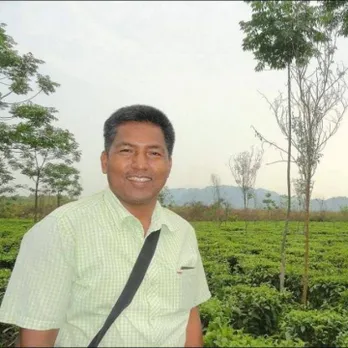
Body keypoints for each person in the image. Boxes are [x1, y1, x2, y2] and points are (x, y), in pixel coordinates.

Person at [0, 104, 211, 347]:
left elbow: (189, 315)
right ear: (104, 161)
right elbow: (37, 338)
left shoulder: (183, 231)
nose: (140, 164)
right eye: (126, 150)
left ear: (169, 164)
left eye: (154, 153)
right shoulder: (60, 229)